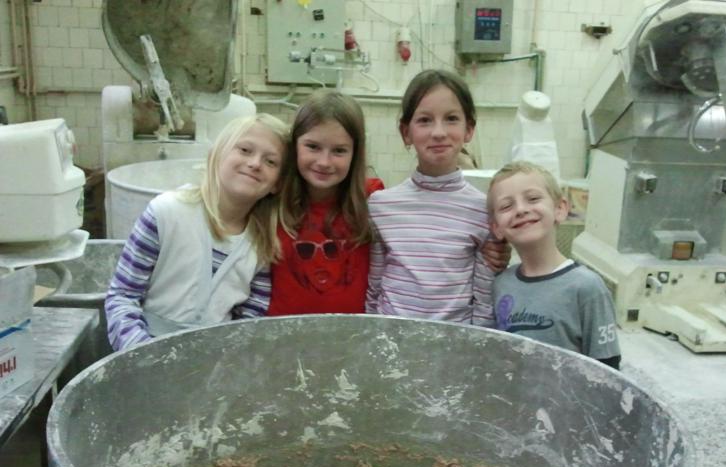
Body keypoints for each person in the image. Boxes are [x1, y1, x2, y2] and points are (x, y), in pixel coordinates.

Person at [105, 113, 288, 351]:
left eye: (271, 162)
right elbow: (122, 296)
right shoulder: (166, 213)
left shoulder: (262, 243)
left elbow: (251, 316)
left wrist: (231, 357)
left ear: (277, 184)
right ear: (216, 155)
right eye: (244, 150)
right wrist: (143, 354)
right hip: (144, 351)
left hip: (215, 360)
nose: (255, 163)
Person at [365, 69, 495, 326]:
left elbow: (484, 300)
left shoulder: (482, 209)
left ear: (469, 129)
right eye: (424, 120)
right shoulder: (381, 206)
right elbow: (374, 288)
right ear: (406, 132)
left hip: (453, 344)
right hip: (393, 340)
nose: (438, 132)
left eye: (451, 119)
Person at [487, 161, 621, 369]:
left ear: (560, 208)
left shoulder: (587, 288)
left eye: (533, 198)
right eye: (506, 206)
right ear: (496, 227)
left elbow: (607, 367)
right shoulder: (500, 285)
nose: (521, 210)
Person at [265, 89, 376, 315]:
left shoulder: (372, 198)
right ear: (294, 145)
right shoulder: (273, 199)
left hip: (352, 333)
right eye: (313, 147)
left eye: (339, 151)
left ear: (355, 153)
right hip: (281, 334)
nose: (324, 162)